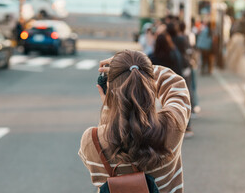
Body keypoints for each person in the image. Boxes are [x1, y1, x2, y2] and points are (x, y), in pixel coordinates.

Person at [79, 50, 191, 192]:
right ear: (148, 86)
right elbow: (176, 85)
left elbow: (111, 132)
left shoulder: (91, 139)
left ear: (108, 91)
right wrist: (138, 67)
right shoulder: (172, 125)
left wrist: (110, 106)